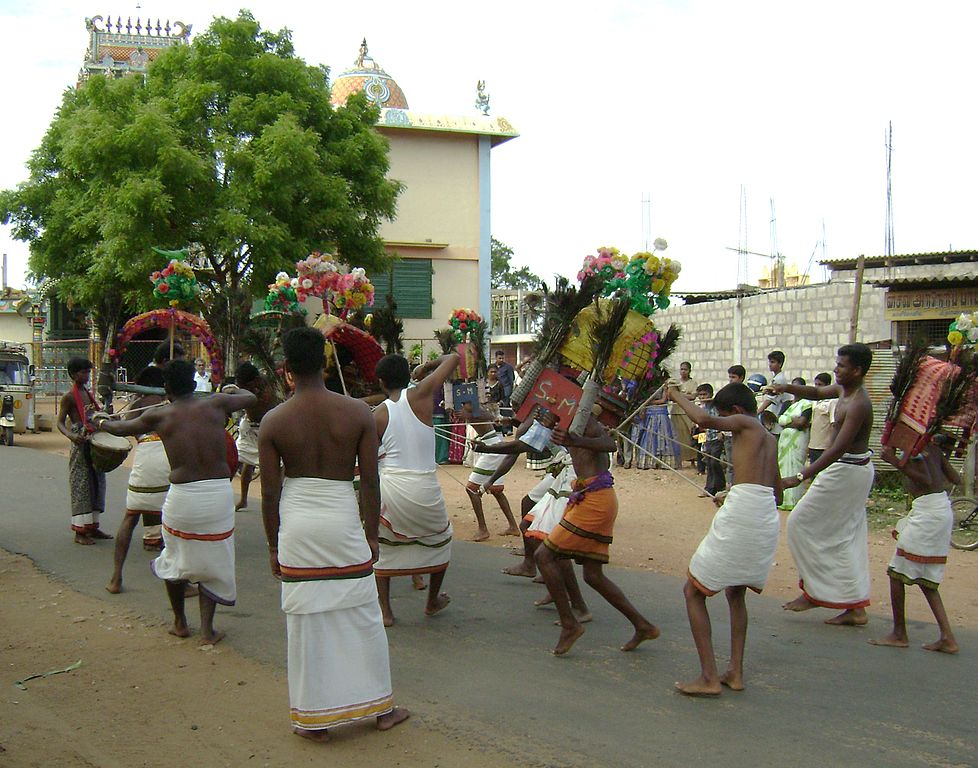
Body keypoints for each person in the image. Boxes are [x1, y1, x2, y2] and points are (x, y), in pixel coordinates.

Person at [258, 327, 409, 742]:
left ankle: (315, 720)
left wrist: (273, 546)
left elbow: (269, 495)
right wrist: (373, 535)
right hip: (344, 519)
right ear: (325, 363)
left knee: (307, 622)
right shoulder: (358, 412)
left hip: (299, 524)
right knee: (362, 614)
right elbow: (371, 484)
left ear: (286, 369)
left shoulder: (274, 421)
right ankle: (381, 709)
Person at [95, 360, 256, 644]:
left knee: (174, 558)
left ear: (166, 388)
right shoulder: (216, 404)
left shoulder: (159, 415)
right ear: (194, 385)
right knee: (214, 561)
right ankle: (207, 631)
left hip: (182, 497)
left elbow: (119, 429)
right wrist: (223, 394)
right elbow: (251, 397)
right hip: (217, 496)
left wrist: (98, 419)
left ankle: (180, 623)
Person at [668, 382, 782, 696]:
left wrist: (675, 394)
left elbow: (703, 421)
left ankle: (708, 677)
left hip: (745, 514)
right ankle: (735, 672)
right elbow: (774, 490)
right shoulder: (770, 439)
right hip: (763, 515)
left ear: (736, 412)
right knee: (736, 594)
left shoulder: (746, 422)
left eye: (726, 419)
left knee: (693, 591)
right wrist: (732, 492)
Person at [534, 409, 659, 655]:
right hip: (590, 496)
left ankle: (570, 624)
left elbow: (609, 444)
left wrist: (574, 440)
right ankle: (642, 625)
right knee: (592, 575)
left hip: (595, 501)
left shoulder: (584, 420)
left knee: (544, 556)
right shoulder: (567, 421)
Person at [774, 344, 875, 626]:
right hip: (845, 470)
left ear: (857, 370)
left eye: (841, 366)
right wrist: (784, 389)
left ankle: (817, 593)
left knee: (800, 523)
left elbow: (840, 447)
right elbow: (817, 393)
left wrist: (801, 475)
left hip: (848, 471)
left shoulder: (859, 403)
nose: (835, 369)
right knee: (843, 537)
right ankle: (849, 605)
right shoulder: (843, 391)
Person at [373, 352, 459, 626]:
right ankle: (432, 600)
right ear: (408, 374)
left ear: (381, 381)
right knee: (440, 542)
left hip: (391, 488)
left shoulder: (378, 414)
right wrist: (426, 367)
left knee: (384, 549)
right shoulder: (421, 394)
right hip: (424, 487)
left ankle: (385, 611)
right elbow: (455, 357)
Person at [869, 438, 959, 654]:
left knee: (896, 572)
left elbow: (925, 480)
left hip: (928, 515)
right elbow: (955, 477)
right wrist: (939, 460)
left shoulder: (918, 449)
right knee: (927, 580)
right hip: (940, 510)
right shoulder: (932, 449)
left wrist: (895, 461)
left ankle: (899, 634)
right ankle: (947, 637)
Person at [106, 366, 169, 594]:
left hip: (144, 461)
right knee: (173, 523)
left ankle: (115, 578)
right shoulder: (167, 403)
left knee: (130, 517)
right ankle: (181, 583)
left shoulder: (138, 405)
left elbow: (124, 429)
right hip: (165, 461)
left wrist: (103, 421)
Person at [58, 357, 110, 544]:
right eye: (83, 372)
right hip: (80, 442)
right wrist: (72, 436)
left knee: (96, 483)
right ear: (73, 374)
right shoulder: (69, 396)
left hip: (92, 440)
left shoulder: (87, 393)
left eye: (88, 372)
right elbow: (60, 423)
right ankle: (80, 532)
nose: (87, 375)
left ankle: (93, 527)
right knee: (81, 484)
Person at [463, 401, 519, 540]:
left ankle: (483, 529)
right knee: (496, 490)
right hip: (489, 443)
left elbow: (488, 416)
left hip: (490, 447)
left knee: (471, 489)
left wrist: (467, 413)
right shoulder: (467, 405)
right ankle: (513, 526)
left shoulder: (471, 405)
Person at [234, 362, 280, 511]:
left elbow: (253, 403)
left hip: (267, 427)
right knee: (240, 460)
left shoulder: (265, 390)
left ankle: (278, 499)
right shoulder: (247, 389)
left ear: (253, 381)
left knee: (277, 467)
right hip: (249, 427)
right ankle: (243, 499)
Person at [776, 377, 813, 510]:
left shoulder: (807, 404)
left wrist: (787, 421)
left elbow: (802, 423)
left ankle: (794, 501)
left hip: (797, 441)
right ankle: (783, 499)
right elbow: (779, 420)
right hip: (784, 440)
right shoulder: (787, 404)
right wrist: (792, 420)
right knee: (782, 468)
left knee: (795, 467)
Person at [695, 384, 725, 498]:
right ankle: (710, 488)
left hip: (716, 438)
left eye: (704, 394)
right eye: (700, 395)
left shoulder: (715, 406)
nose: (703, 397)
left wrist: (720, 431)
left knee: (714, 462)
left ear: (711, 394)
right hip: (707, 438)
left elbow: (721, 418)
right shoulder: (703, 407)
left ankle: (718, 486)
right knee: (708, 463)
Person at [670, 362, 698, 468]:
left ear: (689, 371)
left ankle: (692, 460)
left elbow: (693, 396)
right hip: (676, 412)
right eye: (681, 369)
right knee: (677, 437)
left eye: (685, 369)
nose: (683, 371)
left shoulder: (693, 383)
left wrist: (678, 396)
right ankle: (678, 461)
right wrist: (683, 396)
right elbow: (671, 395)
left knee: (690, 436)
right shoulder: (675, 382)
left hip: (687, 412)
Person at [723, 366, 747, 488]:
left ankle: (738, 487)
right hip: (728, 433)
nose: (731, 380)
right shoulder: (728, 392)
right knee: (730, 462)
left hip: (741, 434)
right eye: (730, 377)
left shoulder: (745, 394)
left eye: (734, 377)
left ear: (741, 378)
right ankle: (730, 487)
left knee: (740, 463)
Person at [806, 373, 836, 466]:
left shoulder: (832, 401)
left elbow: (833, 425)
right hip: (813, 445)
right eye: (816, 384)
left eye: (820, 385)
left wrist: (829, 447)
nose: (817, 387)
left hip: (824, 446)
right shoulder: (815, 401)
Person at [757, 351, 788, 433]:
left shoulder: (779, 380)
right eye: (769, 362)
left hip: (779, 415)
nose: (770, 364)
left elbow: (771, 399)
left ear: (780, 364)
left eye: (773, 362)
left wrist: (757, 412)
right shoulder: (776, 378)